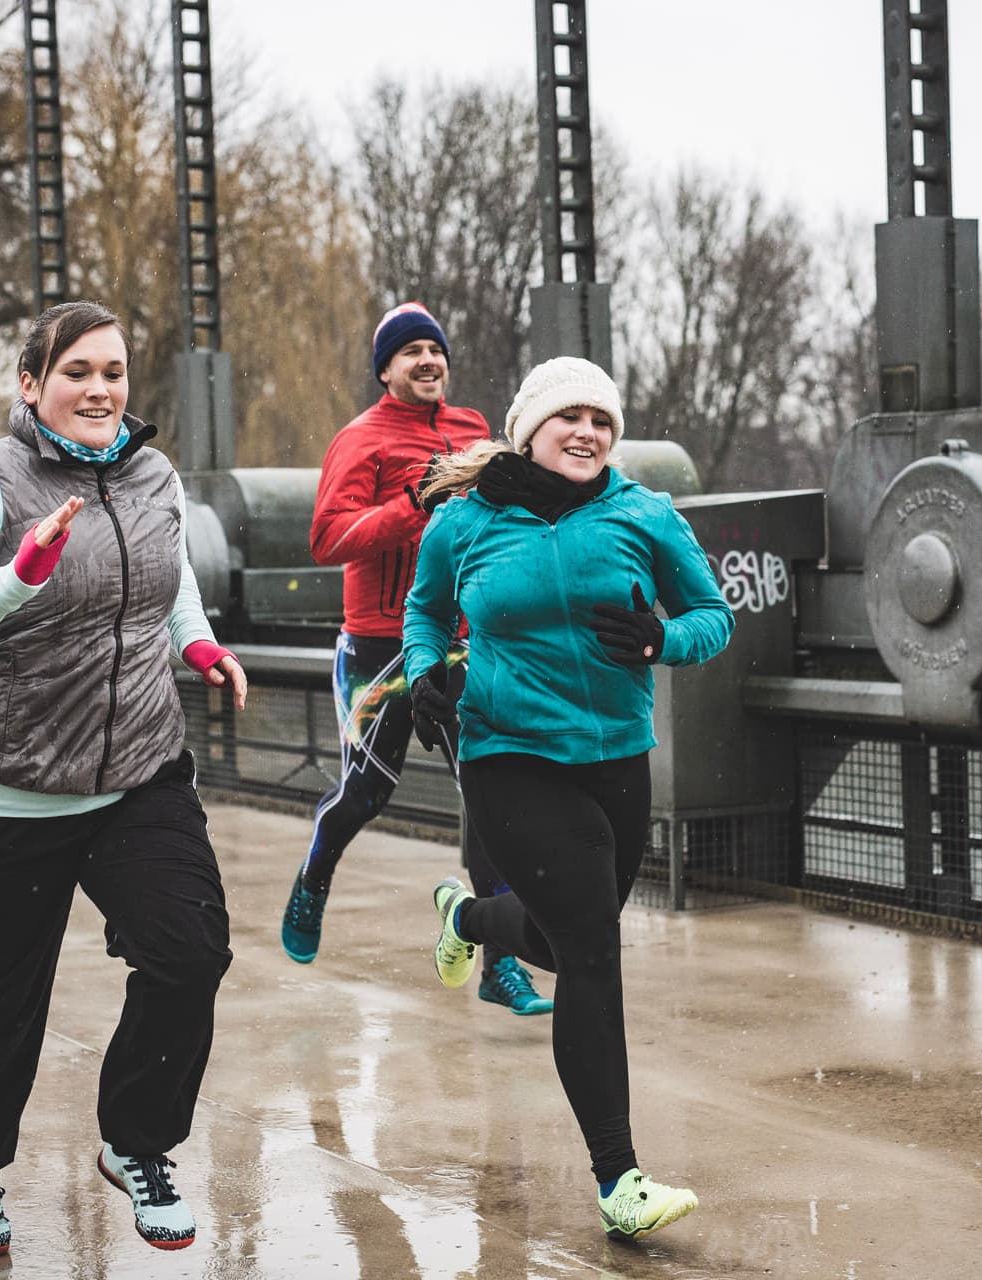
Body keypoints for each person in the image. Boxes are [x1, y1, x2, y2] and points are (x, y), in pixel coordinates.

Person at [0, 300, 245, 1258]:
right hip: (10, 790)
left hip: (138, 774)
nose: (100, 388)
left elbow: (169, 575)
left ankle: (137, 1141)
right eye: (78, 371)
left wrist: (197, 642)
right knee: (4, 1008)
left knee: (189, 955)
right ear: (31, 384)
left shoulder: (151, 470)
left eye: (114, 371)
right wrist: (17, 576)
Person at [402, 356, 734, 1240]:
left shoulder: (644, 515)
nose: (588, 432)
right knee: (592, 951)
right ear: (530, 428)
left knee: (560, 938)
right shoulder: (465, 521)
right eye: (570, 417)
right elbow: (426, 610)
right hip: (507, 755)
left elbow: (717, 616)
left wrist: (664, 638)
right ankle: (619, 1181)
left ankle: (467, 922)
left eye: (602, 420)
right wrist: (426, 670)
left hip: (616, 760)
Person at [283, 301, 553, 1016]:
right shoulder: (361, 439)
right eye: (412, 353)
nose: (429, 361)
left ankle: (501, 966)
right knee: (368, 793)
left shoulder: (472, 431)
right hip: (377, 646)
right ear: (386, 369)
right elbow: (327, 539)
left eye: (436, 351)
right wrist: (413, 501)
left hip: (460, 644)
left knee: (491, 800)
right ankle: (313, 877)